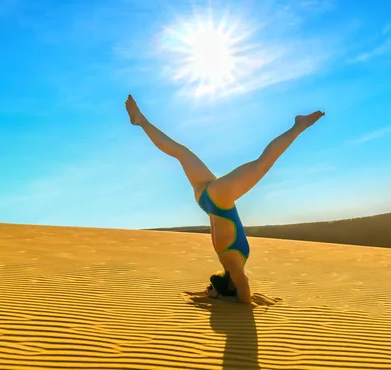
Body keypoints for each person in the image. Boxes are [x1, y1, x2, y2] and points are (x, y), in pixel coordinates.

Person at [125, 94, 324, 303]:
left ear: (232, 285)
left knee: (263, 163)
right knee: (180, 152)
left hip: (219, 201)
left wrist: (237, 300)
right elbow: (240, 286)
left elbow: (244, 288)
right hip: (206, 200)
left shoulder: (232, 263)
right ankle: (142, 122)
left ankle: (298, 127)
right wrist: (219, 294)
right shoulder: (229, 262)